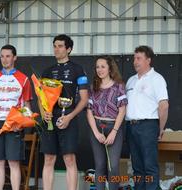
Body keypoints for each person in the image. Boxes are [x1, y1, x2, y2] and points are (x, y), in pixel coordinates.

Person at [41, 34, 88, 190]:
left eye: (60, 46)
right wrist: (43, 113)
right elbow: (41, 98)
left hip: (69, 116)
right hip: (50, 118)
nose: (56, 49)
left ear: (68, 49)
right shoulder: (47, 70)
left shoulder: (78, 69)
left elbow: (84, 99)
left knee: (69, 159)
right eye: (55, 46)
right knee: (48, 158)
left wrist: (69, 116)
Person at [0, 44, 32, 190]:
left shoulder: (23, 79)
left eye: (8, 56)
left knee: (14, 162)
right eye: (2, 56)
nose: (4, 59)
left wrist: (22, 123)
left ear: (15, 57)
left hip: (14, 123)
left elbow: (27, 106)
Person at [126, 46, 169, 190]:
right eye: (134, 58)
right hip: (130, 127)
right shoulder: (131, 81)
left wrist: (160, 128)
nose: (135, 61)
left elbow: (164, 106)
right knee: (137, 168)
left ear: (148, 60)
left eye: (139, 58)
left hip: (148, 126)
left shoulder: (157, 79)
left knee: (149, 166)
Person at [87, 55, 128, 190]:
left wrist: (114, 132)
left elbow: (122, 110)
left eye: (103, 66)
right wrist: (96, 133)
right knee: (99, 165)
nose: (99, 69)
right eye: (97, 67)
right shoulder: (93, 88)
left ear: (110, 68)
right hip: (97, 128)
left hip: (113, 127)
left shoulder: (119, 87)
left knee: (113, 166)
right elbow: (89, 112)